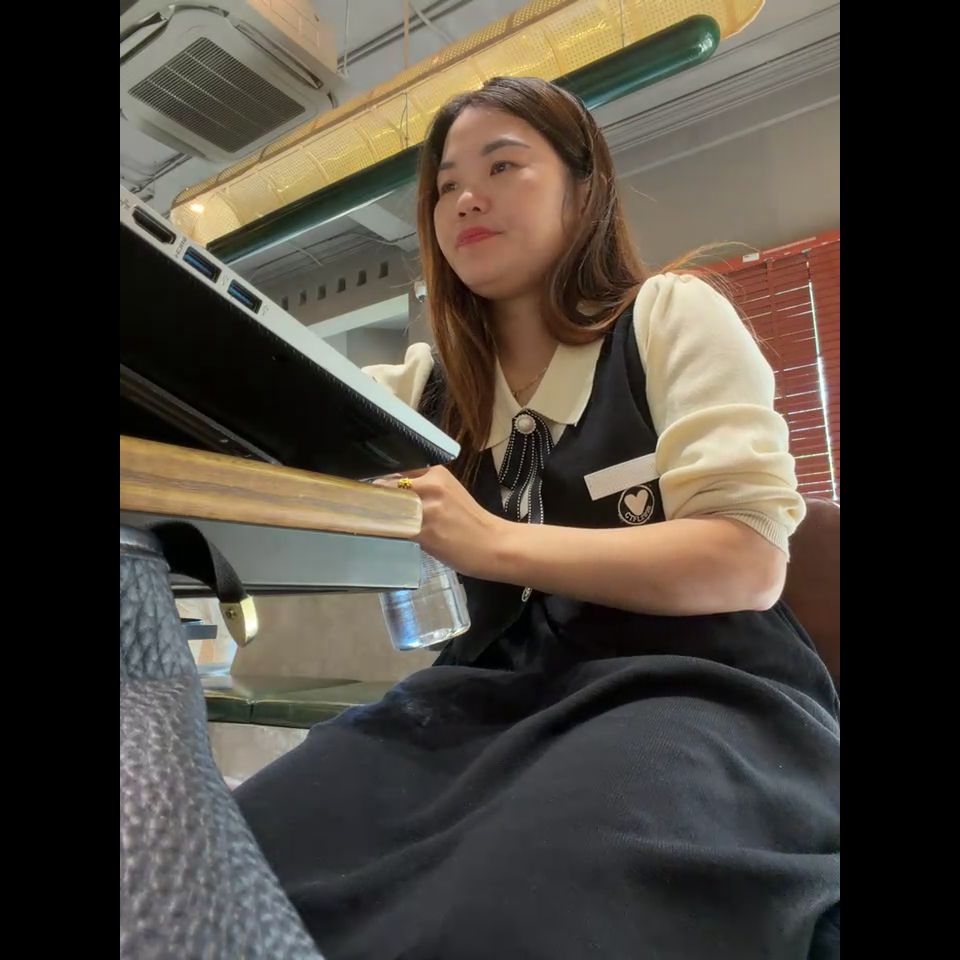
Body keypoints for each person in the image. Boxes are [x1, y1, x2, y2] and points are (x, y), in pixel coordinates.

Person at [236, 76, 840, 959]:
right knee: (236, 850)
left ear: (584, 191)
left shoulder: (667, 315)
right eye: (445, 185)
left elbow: (746, 562)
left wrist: (493, 541)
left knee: (522, 904)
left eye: (503, 165)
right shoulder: (428, 388)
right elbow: (275, 409)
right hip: (490, 694)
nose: (465, 198)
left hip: (695, 686)